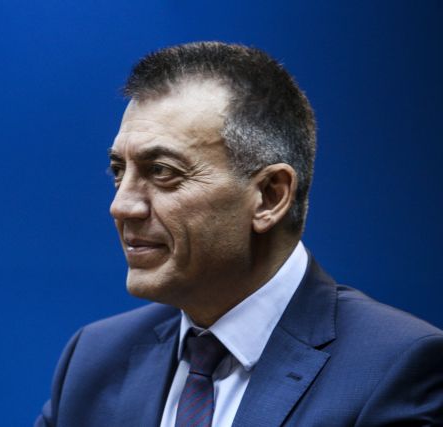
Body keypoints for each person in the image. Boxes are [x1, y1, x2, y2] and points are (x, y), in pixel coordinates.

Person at [35, 42, 443, 426]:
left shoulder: (398, 368)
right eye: (118, 171)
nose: (121, 206)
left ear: (269, 197)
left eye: (161, 171)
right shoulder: (93, 360)